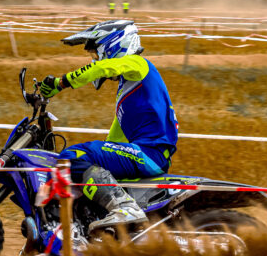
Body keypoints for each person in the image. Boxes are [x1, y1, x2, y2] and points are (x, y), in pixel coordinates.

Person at [39, 20, 178, 232]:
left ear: (113, 45)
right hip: (145, 152)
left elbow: (103, 67)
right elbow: (112, 144)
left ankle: (124, 207)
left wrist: (60, 83)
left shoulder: (138, 65)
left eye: (97, 53)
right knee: (87, 162)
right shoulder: (128, 92)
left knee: (72, 156)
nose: (95, 59)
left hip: (150, 152)